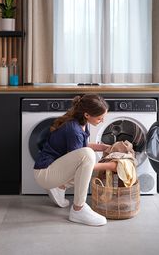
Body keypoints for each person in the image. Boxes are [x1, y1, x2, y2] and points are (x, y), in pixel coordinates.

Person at [33, 94, 117, 226]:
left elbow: (81, 148)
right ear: (87, 114)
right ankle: (79, 209)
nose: (102, 120)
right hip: (45, 173)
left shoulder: (81, 123)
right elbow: (83, 162)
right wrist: (111, 166)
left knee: (88, 155)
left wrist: (104, 147)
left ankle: (60, 187)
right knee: (89, 156)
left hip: (52, 168)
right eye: (100, 118)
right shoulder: (73, 129)